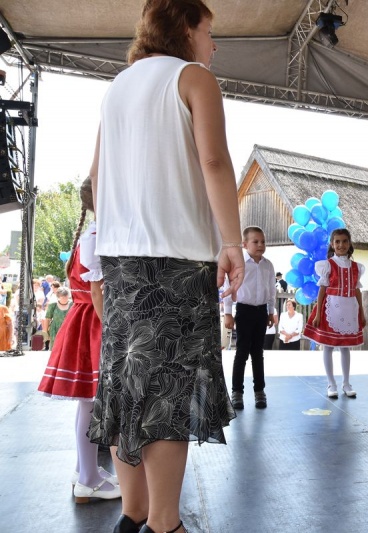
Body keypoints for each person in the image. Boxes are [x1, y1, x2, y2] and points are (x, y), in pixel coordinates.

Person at [86, 1, 245, 532]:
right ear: (184, 27)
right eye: (209, 31)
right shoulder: (193, 78)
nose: (213, 45)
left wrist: (104, 247)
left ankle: (133, 516)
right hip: (176, 261)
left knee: (126, 384)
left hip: (120, 261)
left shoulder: (117, 87)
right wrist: (231, 242)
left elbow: (96, 176)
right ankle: (166, 524)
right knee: (168, 393)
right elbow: (215, 161)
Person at [38, 178, 121, 504]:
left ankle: (84, 470)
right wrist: (112, 329)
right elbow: (98, 293)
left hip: (84, 319)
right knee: (93, 402)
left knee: (88, 402)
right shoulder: (97, 237)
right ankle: (87, 478)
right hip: (94, 323)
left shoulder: (90, 235)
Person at [304, 228, 366, 399]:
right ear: (332, 244)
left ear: (349, 243)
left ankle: (346, 383)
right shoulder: (327, 265)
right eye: (337, 242)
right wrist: (318, 314)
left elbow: (357, 291)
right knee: (329, 346)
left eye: (344, 241)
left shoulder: (356, 267)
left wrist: (361, 312)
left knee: (345, 347)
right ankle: (331, 383)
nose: (341, 245)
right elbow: (322, 290)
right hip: (331, 308)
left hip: (349, 309)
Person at [223, 226, 277, 410]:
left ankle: (259, 391)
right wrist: (228, 313)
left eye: (263, 241)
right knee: (242, 353)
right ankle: (237, 392)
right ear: (245, 244)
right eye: (256, 242)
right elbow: (229, 287)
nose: (260, 245)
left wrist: (271, 311)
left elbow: (271, 290)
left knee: (258, 353)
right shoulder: (240, 264)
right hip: (244, 311)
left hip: (261, 312)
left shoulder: (268, 265)